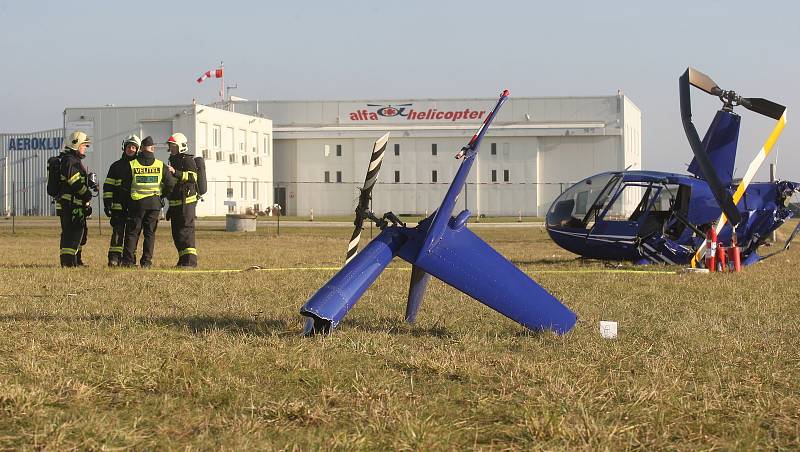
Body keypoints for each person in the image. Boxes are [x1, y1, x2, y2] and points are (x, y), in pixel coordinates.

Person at [120, 136, 175, 268]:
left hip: (136, 204)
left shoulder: (132, 164)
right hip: (154, 204)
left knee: (133, 233)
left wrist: (126, 201)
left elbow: (125, 186)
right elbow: (170, 184)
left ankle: (128, 262)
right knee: (149, 234)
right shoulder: (160, 165)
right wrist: (161, 195)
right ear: (153, 149)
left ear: (141, 148)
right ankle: (146, 262)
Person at [58, 131, 97, 267]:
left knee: (79, 232)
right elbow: (74, 182)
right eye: (84, 145)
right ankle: (68, 263)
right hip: (70, 205)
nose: (85, 148)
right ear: (77, 144)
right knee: (72, 233)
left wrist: (88, 182)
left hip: (75, 204)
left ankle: (76, 260)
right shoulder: (70, 160)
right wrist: (87, 194)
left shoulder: (74, 161)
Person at [103, 134, 140, 266]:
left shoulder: (140, 166)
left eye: (134, 147)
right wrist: (107, 204)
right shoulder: (116, 166)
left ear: (138, 150)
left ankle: (129, 259)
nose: (131, 149)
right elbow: (108, 186)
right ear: (124, 148)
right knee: (117, 233)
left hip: (134, 207)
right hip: (118, 207)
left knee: (132, 234)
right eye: (129, 147)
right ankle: (114, 258)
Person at [165, 132, 199, 267]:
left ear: (181, 146)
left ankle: (190, 261)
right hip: (175, 202)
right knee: (177, 232)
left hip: (187, 202)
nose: (171, 149)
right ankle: (182, 260)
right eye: (170, 146)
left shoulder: (187, 159)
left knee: (186, 231)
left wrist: (175, 172)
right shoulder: (171, 159)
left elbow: (193, 177)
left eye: (173, 146)